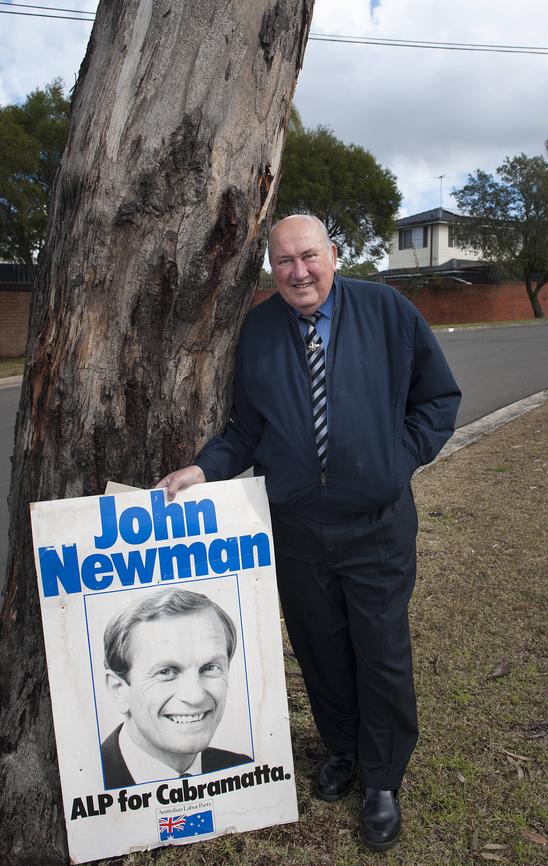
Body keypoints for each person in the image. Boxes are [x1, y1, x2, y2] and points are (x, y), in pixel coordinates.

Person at [157, 214, 461, 850]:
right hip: (295, 527)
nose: (299, 272)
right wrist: (203, 467)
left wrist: (394, 458)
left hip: (376, 526)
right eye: (284, 262)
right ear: (272, 268)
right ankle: (344, 751)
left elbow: (437, 399)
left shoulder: (387, 312)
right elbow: (247, 428)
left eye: (309, 256)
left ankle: (381, 780)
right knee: (321, 651)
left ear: (332, 254)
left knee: (379, 653)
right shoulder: (262, 329)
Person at [101, 589, 251, 789]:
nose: (195, 696)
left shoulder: (242, 769)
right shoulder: (86, 784)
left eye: (210, 668)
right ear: (119, 689)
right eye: (166, 672)